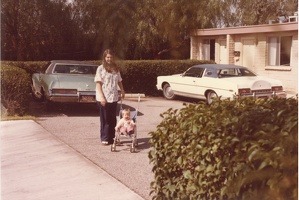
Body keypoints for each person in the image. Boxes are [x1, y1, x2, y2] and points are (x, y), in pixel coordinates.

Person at [94, 49, 125, 145]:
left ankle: (112, 138)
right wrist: (102, 97)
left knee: (112, 119)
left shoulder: (116, 69)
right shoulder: (100, 68)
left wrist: (122, 90)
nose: (109, 59)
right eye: (107, 57)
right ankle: (105, 138)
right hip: (104, 97)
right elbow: (98, 83)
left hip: (113, 97)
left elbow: (119, 81)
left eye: (111, 57)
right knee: (105, 119)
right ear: (104, 58)